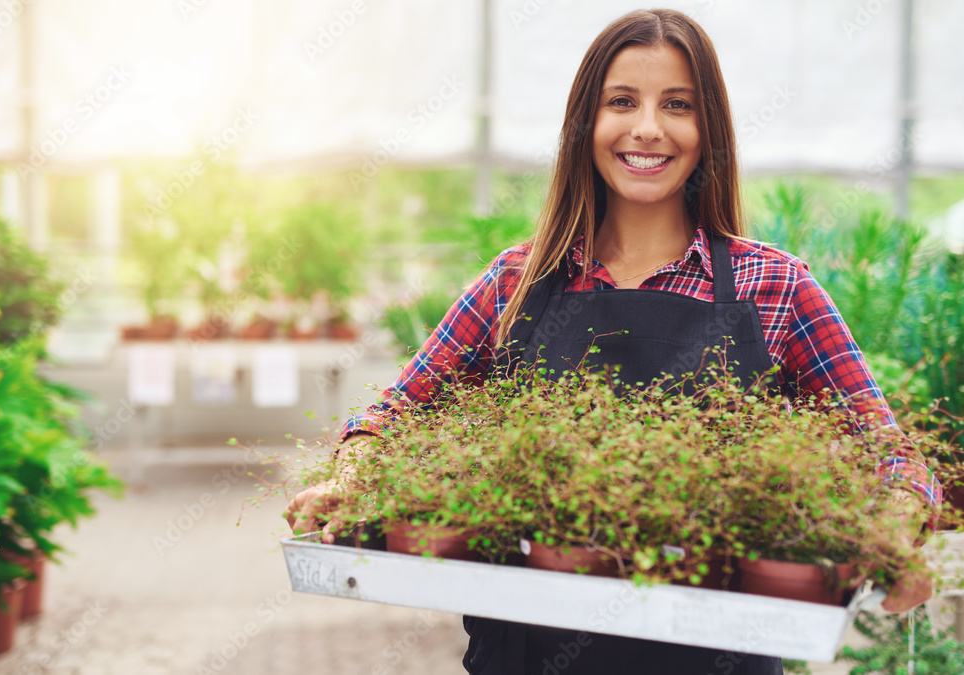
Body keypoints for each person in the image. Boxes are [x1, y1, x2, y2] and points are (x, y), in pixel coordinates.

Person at [286, 9, 941, 674]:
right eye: (621, 101)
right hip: (528, 654)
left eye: (677, 105)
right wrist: (350, 481)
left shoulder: (773, 285)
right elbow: (389, 418)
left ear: (706, 127)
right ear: (584, 126)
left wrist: (891, 535)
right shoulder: (513, 284)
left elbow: (892, 457)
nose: (648, 128)